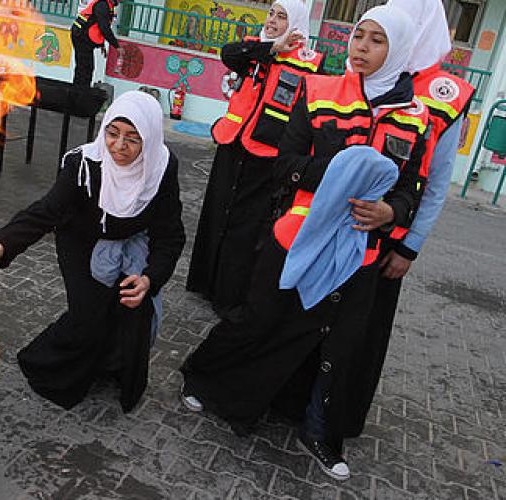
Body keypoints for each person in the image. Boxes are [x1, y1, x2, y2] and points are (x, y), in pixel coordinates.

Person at [180, 5, 428, 481]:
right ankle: (205, 379)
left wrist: (390, 213)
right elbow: (285, 162)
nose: (362, 48)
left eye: (377, 41)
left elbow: (408, 189)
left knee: (334, 343)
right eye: (360, 36)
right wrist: (342, 180)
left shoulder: (415, 118)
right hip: (296, 235)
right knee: (258, 318)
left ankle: (319, 431)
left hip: (359, 251)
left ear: (398, 51)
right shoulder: (319, 90)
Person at [0, 91, 185, 412]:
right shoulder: (83, 165)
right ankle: (43, 366)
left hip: (131, 243)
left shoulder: (162, 168)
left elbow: (170, 234)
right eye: (112, 134)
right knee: (88, 315)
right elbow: (42, 214)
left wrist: (149, 278)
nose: (119, 147)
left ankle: (113, 367)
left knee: (134, 307)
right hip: (81, 241)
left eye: (133, 139)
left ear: (151, 140)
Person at [345, 0, 475, 437]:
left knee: (360, 336)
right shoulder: (361, 68)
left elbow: (436, 184)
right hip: (333, 229)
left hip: (385, 240)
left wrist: (409, 245)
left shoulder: (444, 94)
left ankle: (337, 418)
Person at [186, 0, 324, 317]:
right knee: (217, 216)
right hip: (232, 144)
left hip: (267, 157)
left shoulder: (312, 64)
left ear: (298, 23)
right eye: (272, 13)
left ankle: (228, 296)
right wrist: (272, 47)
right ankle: (204, 282)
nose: (274, 20)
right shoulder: (256, 48)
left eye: (282, 16)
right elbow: (228, 55)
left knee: (246, 227)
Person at [71, 0, 123, 87]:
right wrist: (116, 46)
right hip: (81, 36)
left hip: (84, 36)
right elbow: (104, 28)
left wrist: (101, 44)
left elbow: (97, 27)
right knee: (84, 67)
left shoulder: (109, 6)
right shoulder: (102, 5)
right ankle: (79, 91)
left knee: (86, 67)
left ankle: (81, 90)